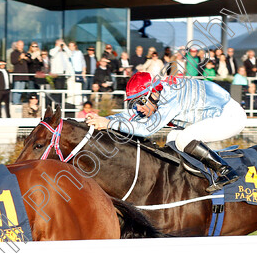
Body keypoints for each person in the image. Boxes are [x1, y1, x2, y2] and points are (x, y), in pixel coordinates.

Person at [86, 71, 245, 193]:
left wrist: (109, 123)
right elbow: (133, 115)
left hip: (229, 116)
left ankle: (225, 171)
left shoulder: (170, 98)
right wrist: (105, 119)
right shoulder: (156, 94)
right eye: (135, 102)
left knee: (183, 139)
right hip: (214, 113)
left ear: (152, 93)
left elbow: (146, 129)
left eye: (140, 102)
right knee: (172, 140)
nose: (138, 107)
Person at [10, 40, 29, 105]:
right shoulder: (13, 53)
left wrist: (26, 58)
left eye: (22, 45)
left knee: (21, 89)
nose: (21, 47)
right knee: (16, 89)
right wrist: (20, 58)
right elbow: (13, 62)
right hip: (18, 74)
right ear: (17, 45)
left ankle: (18, 101)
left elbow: (30, 61)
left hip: (24, 74)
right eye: (19, 45)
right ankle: (15, 102)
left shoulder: (25, 52)